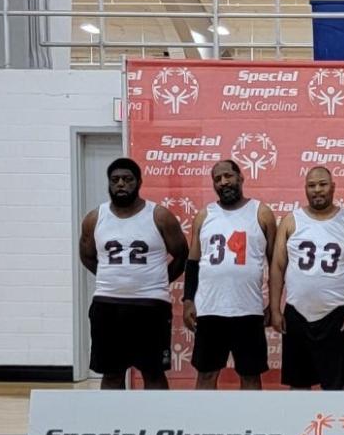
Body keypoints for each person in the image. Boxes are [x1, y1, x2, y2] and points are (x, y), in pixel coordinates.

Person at [78, 157, 188, 389]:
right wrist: (111, 276)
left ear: (138, 182)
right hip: (108, 305)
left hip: (150, 307)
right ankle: (112, 423)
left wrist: (158, 280)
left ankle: (157, 423)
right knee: (111, 374)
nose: (121, 184)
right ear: (108, 183)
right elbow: (87, 255)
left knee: (154, 373)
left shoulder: (159, 216)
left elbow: (182, 254)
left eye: (127, 179)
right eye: (115, 180)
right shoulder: (94, 218)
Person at [182, 160, 278, 390]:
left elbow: (276, 264)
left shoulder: (261, 212)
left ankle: (252, 425)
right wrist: (187, 300)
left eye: (228, 176)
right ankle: (204, 425)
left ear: (241, 177)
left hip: (248, 310)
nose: (223, 182)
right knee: (206, 374)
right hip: (210, 309)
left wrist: (274, 306)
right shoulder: (205, 215)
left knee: (251, 375)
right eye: (217, 179)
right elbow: (193, 261)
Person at [269, 167, 344, 390]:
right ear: (305, 189)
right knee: (299, 387)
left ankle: (341, 426)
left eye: (322, 184)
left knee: (340, 387)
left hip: (338, 316)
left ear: (333, 187)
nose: (317, 190)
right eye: (311, 185)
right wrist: (275, 309)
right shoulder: (291, 221)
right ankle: (299, 426)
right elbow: (277, 267)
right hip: (297, 313)